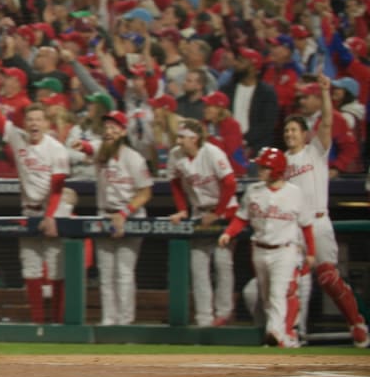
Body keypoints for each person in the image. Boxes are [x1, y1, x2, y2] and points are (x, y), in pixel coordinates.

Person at [0, 73, 71, 325]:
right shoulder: (17, 138)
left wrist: (50, 216)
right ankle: (39, 324)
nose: (34, 123)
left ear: (48, 123)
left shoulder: (56, 149)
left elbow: (58, 188)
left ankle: (58, 324)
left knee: (57, 270)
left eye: (39, 119)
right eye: (30, 119)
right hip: (29, 211)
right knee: (30, 269)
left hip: (54, 211)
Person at [282, 74, 370, 348]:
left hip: (318, 222)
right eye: (287, 131)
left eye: (294, 130)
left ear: (304, 133)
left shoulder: (315, 152)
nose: (290, 134)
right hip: (294, 228)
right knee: (292, 280)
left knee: (328, 277)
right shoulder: (281, 162)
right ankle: (293, 331)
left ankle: (356, 322)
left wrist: (325, 94)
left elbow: (328, 122)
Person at [218, 147, 315, 348]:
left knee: (278, 293)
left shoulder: (295, 193)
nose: (260, 170)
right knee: (266, 297)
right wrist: (228, 233)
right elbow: (241, 218)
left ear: (277, 169)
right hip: (259, 250)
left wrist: (311, 252)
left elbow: (306, 226)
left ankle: (275, 335)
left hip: (284, 250)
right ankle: (278, 334)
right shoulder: (254, 191)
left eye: (265, 167)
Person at [167, 118, 239, 327]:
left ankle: (224, 313)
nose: (178, 140)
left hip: (224, 211)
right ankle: (204, 318)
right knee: (198, 266)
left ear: (195, 138)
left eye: (182, 137)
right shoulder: (175, 155)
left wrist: (217, 213)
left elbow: (230, 183)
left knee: (222, 262)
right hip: (199, 212)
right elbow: (174, 183)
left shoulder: (212, 152)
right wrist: (182, 209)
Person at [93, 110, 153, 326]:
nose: (108, 131)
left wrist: (124, 213)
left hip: (129, 216)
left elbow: (145, 192)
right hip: (105, 214)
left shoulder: (133, 158)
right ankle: (109, 320)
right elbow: (89, 147)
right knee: (106, 274)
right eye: (106, 127)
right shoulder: (101, 154)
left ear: (123, 131)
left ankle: (125, 323)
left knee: (124, 273)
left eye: (113, 127)